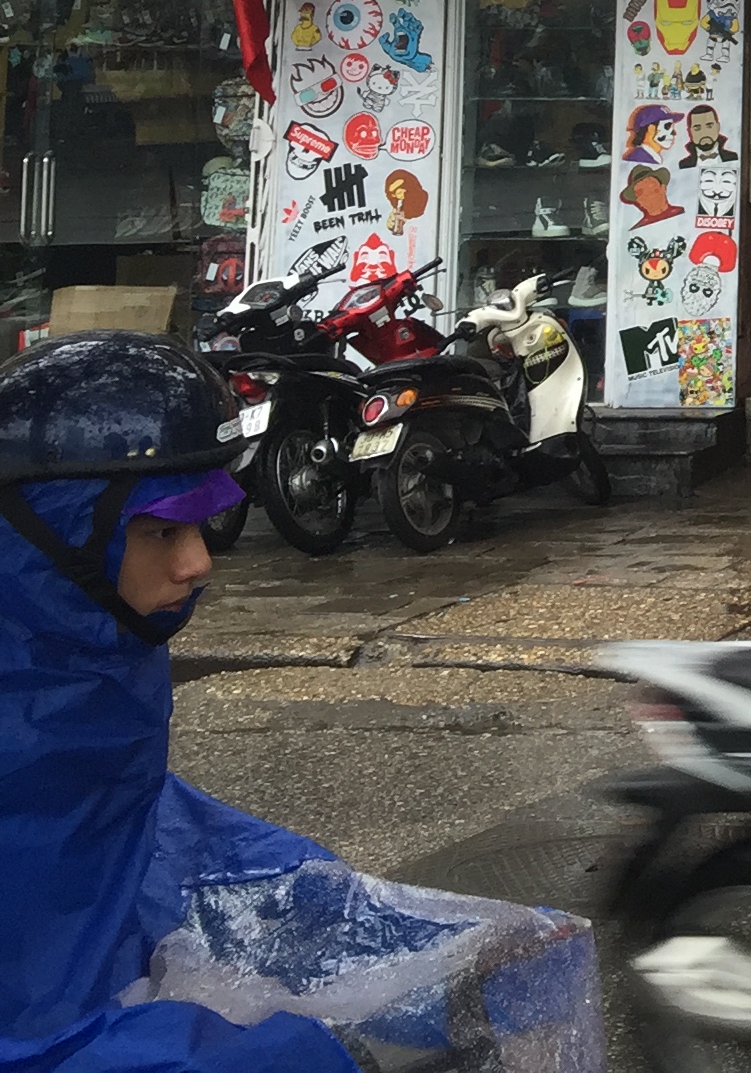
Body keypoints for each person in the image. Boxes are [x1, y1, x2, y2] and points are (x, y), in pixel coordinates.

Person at [0, 332, 596, 1073]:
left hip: (105, 957)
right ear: (54, 536)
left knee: (518, 967)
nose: (198, 563)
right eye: (161, 531)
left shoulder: (89, 649)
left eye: (200, 525)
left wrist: (422, 951)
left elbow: (130, 824)